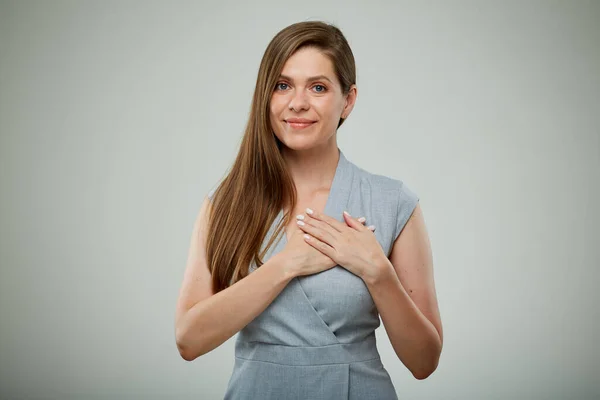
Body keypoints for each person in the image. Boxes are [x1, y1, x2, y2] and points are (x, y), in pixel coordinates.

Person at [175, 20, 443, 399]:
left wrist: (378, 273)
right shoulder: (226, 205)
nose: (297, 102)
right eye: (282, 85)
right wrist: (288, 264)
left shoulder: (393, 202)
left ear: (347, 100)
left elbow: (424, 362)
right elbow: (189, 340)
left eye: (318, 87)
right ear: (265, 96)